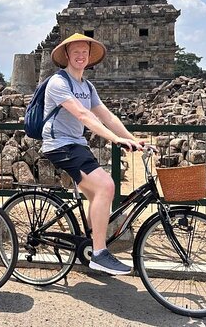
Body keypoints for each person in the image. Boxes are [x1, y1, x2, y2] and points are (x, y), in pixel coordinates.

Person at [42, 33, 143, 275]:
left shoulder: (87, 86)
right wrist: (114, 139)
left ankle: (89, 246)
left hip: (77, 144)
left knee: (98, 194)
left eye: (84, 52)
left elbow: (107, 115)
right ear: (66, 55)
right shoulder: (59, 82)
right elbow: (83, 115)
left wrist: (131, 139)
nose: (80, 56)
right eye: (75, 51)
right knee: (106, 186)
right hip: (59, 144)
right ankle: (99, 253)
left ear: (89, 57)